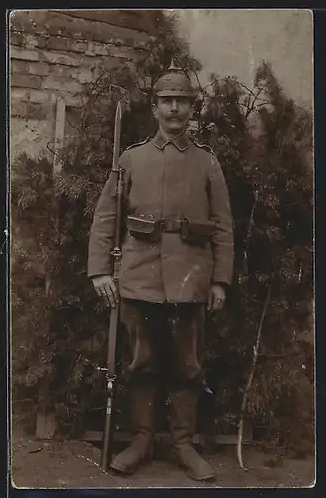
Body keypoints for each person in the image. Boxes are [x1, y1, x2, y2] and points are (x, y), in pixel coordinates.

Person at [87, 61, 234, 482]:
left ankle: (184, 444)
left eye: (182, 102)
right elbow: (105, 219)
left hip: (191, 279)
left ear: (192, 109)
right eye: (167, 101)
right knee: (141, 361)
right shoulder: (131, 159)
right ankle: (142, 439)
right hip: (140, 276)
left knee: (187, 364)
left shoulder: (207, 163)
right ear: (155, 108)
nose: (174, 110)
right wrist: (100, 272)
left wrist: (220, 280)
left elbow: (223, 226)